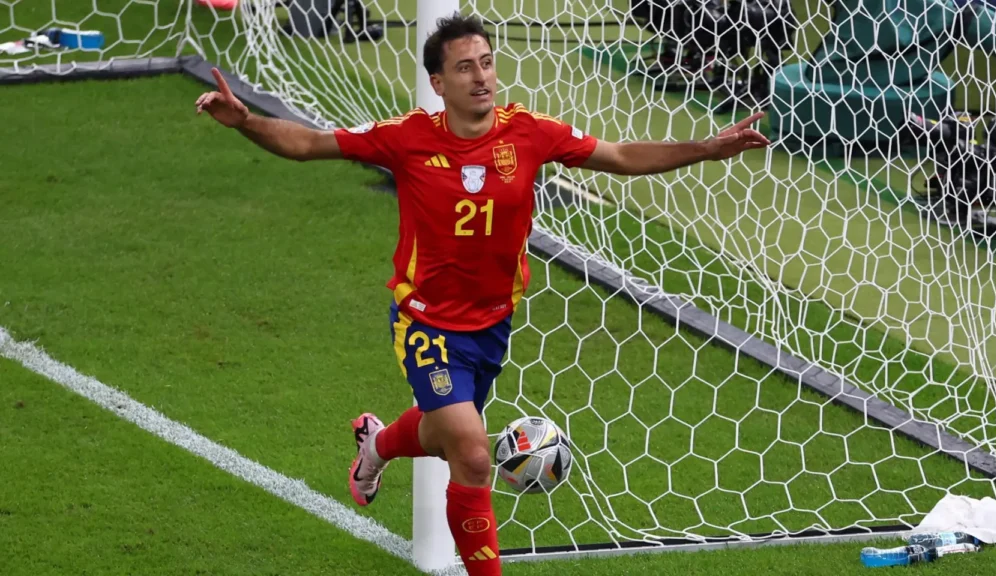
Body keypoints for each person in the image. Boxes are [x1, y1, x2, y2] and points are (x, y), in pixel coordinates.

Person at [194, 11, 769, 575]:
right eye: (465, 68)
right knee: (471, 453)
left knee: (444, 433)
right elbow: (307, 145)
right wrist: (244, 120)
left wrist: (705, 147)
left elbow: (618, 156)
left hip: (492, 324)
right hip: (425, 321)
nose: (482, 77)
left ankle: (377, 444)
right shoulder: (407, 138)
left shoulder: (529, 133)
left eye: (487, 63)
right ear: (439, 83)